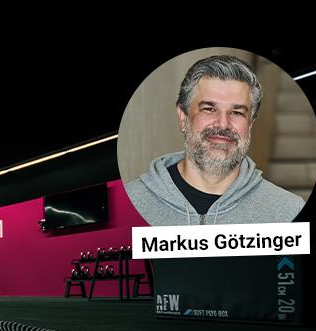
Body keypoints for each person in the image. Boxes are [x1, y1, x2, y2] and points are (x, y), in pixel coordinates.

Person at [125, 55, 305, 226]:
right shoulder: (132, 200)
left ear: (250, 124)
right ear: (183, 117)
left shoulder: (289, 210)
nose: (223, 124)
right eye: (209, 109)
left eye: (237, 112)